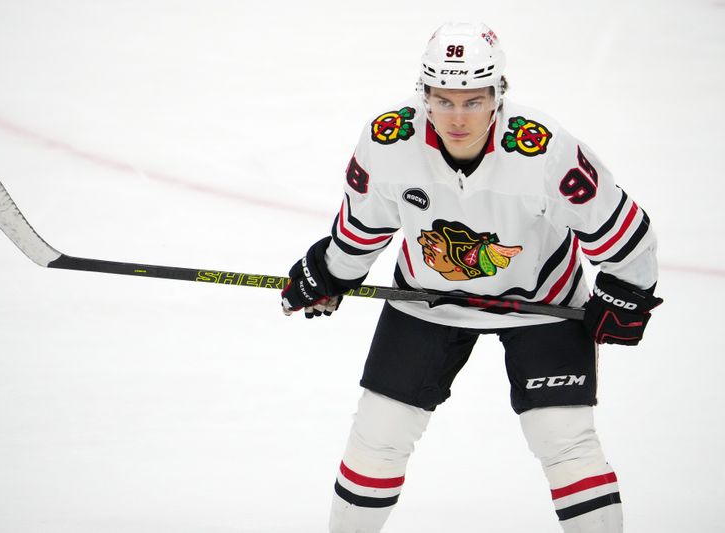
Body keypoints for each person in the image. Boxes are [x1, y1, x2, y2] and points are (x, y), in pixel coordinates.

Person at [281, 22, 662, 533]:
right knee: (378, 437)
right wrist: (330, 274)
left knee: (565, 442)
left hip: (540, 303)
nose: (457, 117)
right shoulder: (388, 141)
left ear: (498, 95)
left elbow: (626, 235)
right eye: (443, 100)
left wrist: (629, 293)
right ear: (424, 95)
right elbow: (362, 228)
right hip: (426, 299)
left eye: (473, 100)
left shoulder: (544, 150)